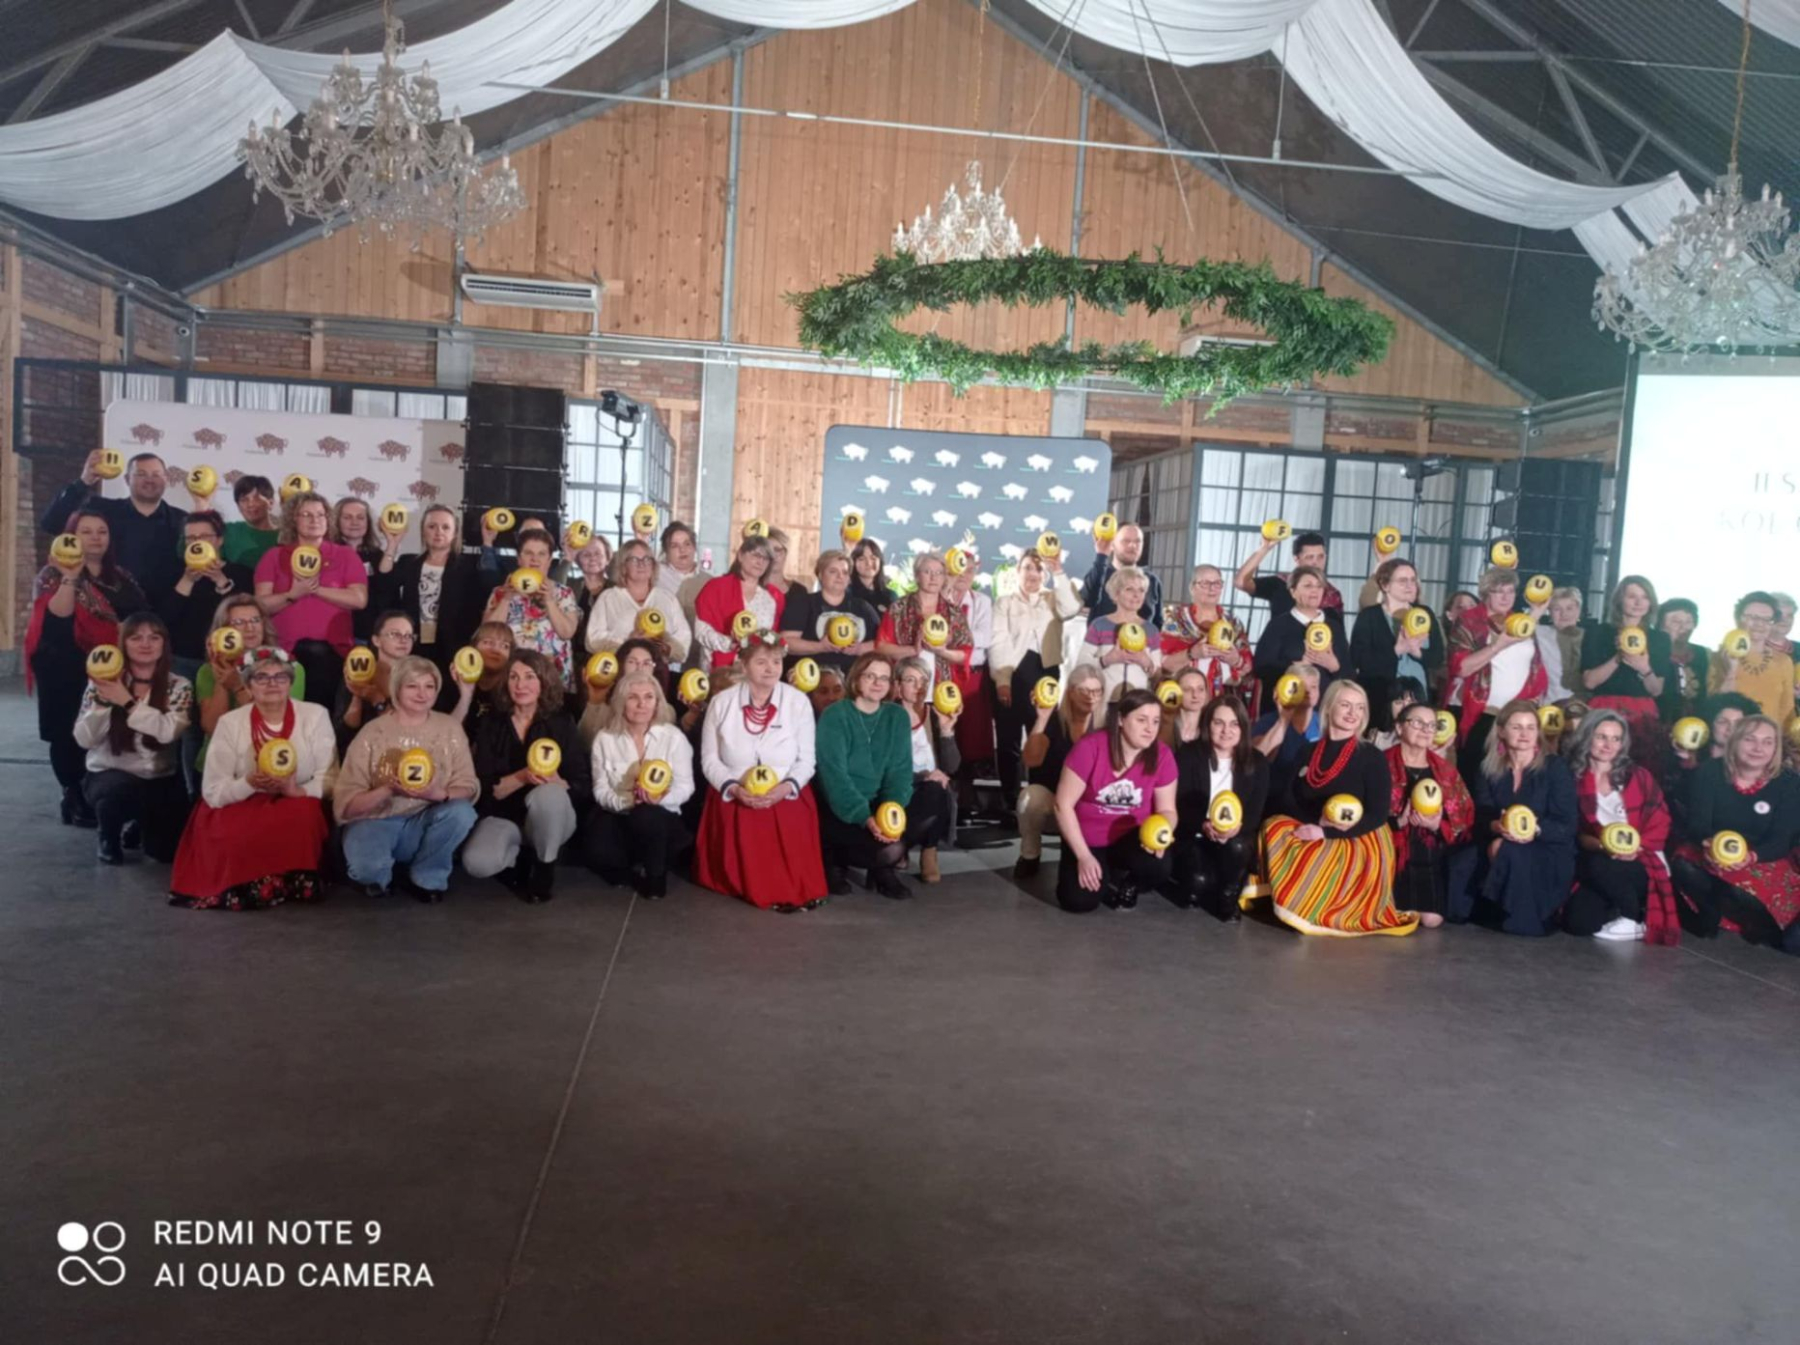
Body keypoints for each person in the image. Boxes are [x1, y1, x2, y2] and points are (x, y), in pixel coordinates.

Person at [168, 647, 334, 910]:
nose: (272, 684)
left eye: (280, 677)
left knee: (304, 813)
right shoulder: (230, 723)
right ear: (247, 685)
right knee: (234, 834)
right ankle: (247, 887)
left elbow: (331, 777)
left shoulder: (315, 715)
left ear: (290, 683)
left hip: (293, 797)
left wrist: (296, 790)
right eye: (262, 677)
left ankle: (290, 882)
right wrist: (248, 783)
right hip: (241, 799)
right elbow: (213, 790)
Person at [1259, 680, 1416, 937]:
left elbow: (1378, 815)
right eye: (1345, 705)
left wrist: (1327, 833)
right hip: (1314, 824)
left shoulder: (1372, 756)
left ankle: (1313, 905)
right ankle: (1288, 897)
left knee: (1323, 855)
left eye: (1360, 707)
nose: (1353, 713)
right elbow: (1288, 798)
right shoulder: (1307, 750)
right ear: (1329, 708)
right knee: (1274, 826)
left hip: (1357, 836)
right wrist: (1315, 824)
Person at [25, 509, 148, 826]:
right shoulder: (51, 574)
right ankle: (73, 794)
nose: (95, 538)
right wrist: (70, 575)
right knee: (67, 732)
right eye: (86, 531)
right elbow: (57, 619)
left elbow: (142, 615)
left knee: (105, 729)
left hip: (115, 666)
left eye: (101, 531)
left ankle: (102, 792)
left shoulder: (121, 576)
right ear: (72, 536)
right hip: (66, 665)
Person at [692, 631, 828, 909]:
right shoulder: (721, 703)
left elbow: (807, 761)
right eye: (762, 662)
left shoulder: (798, 702)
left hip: (785, 792)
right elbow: (709, 759)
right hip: (735, 792)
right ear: (743, 665)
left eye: (776, 662)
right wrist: (734, 789)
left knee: (789, 824)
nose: (771, 669)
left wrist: (784, 788)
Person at [333, 656, 479, 901]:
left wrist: (439, 794)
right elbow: (346, 804)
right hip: (377, 820)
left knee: (461, 812)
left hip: (425, 821)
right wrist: (387, 790)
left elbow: (468, 785)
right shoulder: (373, 732)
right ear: (397, 688)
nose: (422, 694)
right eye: (412, 686)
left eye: (429, 686)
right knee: (367, 872)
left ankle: (427, 876)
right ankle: (386, 871)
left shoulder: (450, 728)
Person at [465, 650, 589, 902]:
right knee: (477, 863)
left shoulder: (562, 722)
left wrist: (558, 782)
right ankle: (520, 857)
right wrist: (522, 776)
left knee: (548, 794)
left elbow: (582, 784)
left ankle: (544, 867)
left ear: (543, 682)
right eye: (514, 677)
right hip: (505, 817)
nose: (520, 684)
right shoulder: (491, 723)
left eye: (530, 676)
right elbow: (483, 788)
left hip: (552, 819)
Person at [1448, 699, 1578, 936]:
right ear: (1501, 731)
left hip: (1547, 845)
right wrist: (1496, 825)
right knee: (1462, 861)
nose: (1524, 734)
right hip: (1501, 838)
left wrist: (1534, 830)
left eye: (1530, 727)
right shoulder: (1488, 769)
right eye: (1517, 727)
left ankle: (1523, 918)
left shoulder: (1554, 767)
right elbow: (1481, 817)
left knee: (1505, 850)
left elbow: (1566, 824)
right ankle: (1483, 910)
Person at [72, 612, 193, 864]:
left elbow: (168, 732)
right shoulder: (101, 682)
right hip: (112, 775)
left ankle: (141, 824)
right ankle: (108, 834)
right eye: (136, 638)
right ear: (123, 644)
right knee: (116, 790)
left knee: (164, 854)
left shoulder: (179, 685)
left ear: (164, 643)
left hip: (159, 778)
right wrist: (103, 703)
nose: (145, 644)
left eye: (154, 637)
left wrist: (127, 702)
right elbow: (84, 739)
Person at [1670, 716, 1800, 951]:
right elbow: (1697, 825)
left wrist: (1750, 857)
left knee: (1741, 890)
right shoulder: (1709, 772)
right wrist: (1710, 846)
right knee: (1682, 865)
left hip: (1764, 857)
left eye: (1767, 742)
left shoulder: (1789, 782)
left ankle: (1755, 925)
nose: (1758, 748)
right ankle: (1712, 913)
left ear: (1776, 748)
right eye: (1750, 739)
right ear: (1735, 741)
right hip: (1713, 848)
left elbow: (1782, 840)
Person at [1051, 687, 1178, 913]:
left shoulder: (1163, 756)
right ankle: (1102, 874)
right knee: (1078, 901)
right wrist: (1083, 856)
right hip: (1088, 839)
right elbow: (1062, 805)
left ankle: (1127, 881)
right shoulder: (1090, 747)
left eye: (1155, 721)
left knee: (1159, 865)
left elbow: (1168, 810)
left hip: (1132, 838)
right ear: (1120, 719)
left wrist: (1161, 834)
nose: (1150, 728)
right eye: (1141, 720)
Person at [1562, 710, 1678, 943]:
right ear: (1587, 736)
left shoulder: (1638, 776)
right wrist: (1602, 846)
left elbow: (1661, 820)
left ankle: (1632, 917)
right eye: (1601, 737)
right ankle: (1617, 907)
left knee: (1597, 865)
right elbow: (1577, 832)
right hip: (1599, 856)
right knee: (1579, 923)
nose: (1608, 745)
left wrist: (1636, 848)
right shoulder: (1572, 778)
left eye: (1616, 739)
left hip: (1641, 859)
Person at [585, 671, 696, 899]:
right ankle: (627, 867)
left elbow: (686, 786)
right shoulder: (605, 738)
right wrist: (627, 801)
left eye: (648, 697)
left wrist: (660, 798)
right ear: (621, 702)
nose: (641, 704)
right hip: (620, 814)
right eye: (633, 697)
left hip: (661, 817)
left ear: (657, 702)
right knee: (598, 848)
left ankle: (656, 876)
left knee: (647, 814)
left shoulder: (673, 737)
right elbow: (601, 789)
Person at [815, 654, 916, 900]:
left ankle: (881, 870)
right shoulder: (835, 715)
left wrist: (891, 813)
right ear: (856, 679)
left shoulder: (897, 716)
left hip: (879, 804)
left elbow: (900, 771)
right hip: (841, 807)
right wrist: (866, 818)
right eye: (870, 676)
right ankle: (834, 859)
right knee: (887, 851)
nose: (878, 683)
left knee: (935, 795)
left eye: (884, 678)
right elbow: (834, 777)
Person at [255, 490, 369, 708]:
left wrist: (315, 589)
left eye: (320, 514)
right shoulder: (274, 556)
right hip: (283, 654)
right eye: (306, 515)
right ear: (293, 519)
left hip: (332, 652)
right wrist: (291, 595)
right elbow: (260, 606)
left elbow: (359, 599)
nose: (314, 520)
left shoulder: (345, 555)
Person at [374, 503, 502, 694]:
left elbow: (491, 586)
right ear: (423, 531)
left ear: (455, 533)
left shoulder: (468, 565)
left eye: (445, 527)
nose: (438, 532)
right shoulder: (409, 562)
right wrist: (392, 545)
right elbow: (384, 583)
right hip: (414, 646)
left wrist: (488, 543)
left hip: (454, 648)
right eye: (432, 526)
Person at [992, 550, 1083, 806]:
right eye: (1028, 568)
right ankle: (1010, 801)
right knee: (1009, 739)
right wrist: (1002, 681)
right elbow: (998, 641)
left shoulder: (1053, 598)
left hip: (1046, 673)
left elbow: (1073, 607)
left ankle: (1038, 798)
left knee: (1043, 736)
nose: (1033, 574)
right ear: (1018, 571)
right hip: (1013, 673)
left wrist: (1058, 571)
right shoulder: (1004, 602)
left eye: (1039, 569)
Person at [1169, 692, 1267, 920]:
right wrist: (1203, 825)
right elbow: (1179, 804)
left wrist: (1236, 828)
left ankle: (1229, 894)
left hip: (1234, 839)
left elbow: (1254, 812)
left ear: (1243, 727)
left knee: (1238, 847)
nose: (1226, 731)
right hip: (1195, 835)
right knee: (1197, 885)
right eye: (1219, 723)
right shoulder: (1188, 755)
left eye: (1234, 724)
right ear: (1207, 724)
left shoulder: (1258, 762)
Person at [39, 448, 186, 597]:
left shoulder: (183, 521)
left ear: (166, 479)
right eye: (141, 474)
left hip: (169, 608)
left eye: (156, 474)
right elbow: (52, 524)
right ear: (127, 479)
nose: (149, 480)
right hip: (108, 606)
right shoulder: (102, 511)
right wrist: (84, 481)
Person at [1447, 567, 1548, 777]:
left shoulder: (1519, 620)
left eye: (1510, 591)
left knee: (1513, 777)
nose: (1505, 597)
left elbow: (1534, 666)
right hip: (1482, 715)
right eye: (1499, 591)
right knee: (1475, 776)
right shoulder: (1469, 620)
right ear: (1486, 593)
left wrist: (1535, 614)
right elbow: (1462, 668)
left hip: (1517, 716)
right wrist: (1497, 646)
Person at [193, 595, 308, 771]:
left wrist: (238, 687)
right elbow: (213, 728)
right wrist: (222, 675)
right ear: (223, 631)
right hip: (218, 766)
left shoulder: (290, 668)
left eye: (255, 620)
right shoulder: (207, 671)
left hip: (268, 764)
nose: (250, 628)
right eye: (239, 622)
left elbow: (277, 725)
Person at [1385, 702, 1475, 928]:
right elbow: (1367, 811)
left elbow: (1464, 819)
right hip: (1390, 849)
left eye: (1431, 725)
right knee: (1397, 916)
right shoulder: (1380, 763)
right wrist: (1398, 821)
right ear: (1399, 728)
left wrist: (1437, 825)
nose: (1425, 729)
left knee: (1432, 920)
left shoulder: (1445, 771)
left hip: (1428, 852)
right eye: (1417, 723)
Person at [1015, 664, 1105, 880]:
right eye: (1084, 690)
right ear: (1070, 692)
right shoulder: (1055, 719)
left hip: (1091, 804)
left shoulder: (1106, 726)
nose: (1091, 697)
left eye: (1096, 691)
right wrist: (1042, 718)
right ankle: (1030, 854)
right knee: (1029, 798)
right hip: (1056, 801)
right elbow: (1031, 760)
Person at [1580, 575, 1672, 767]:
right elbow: (1589, 682)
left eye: (1644, 597)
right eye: (1632, 596)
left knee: (1640, 766)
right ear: (1620, 600)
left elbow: (1656, 690)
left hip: (1642, 714)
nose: (1638, 602)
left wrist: (1644, 667)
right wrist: (1619, 657)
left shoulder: (1660, 639)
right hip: (1603, 708)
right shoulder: (1598, 632)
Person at [155, 509, 255, 681]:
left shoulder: (240, 573)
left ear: (219, 540)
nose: (197, 542)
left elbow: (244, 616)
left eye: (204, 536)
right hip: (181, 659)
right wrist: (187, 580)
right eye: (191, 538)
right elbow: (163, 620)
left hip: (227, 659)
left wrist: (221, 581)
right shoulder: (172, 572)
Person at [1350, 559, 1441, 732]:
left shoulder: (1426, 613)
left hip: (1418, 698)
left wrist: (1417, 653)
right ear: (1385, 585)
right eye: (1402, 581)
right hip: (1380, 699)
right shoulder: (1369, 617)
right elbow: (1359, 660)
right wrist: (1396, 650)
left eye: (1413, 580)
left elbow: (1438, 658)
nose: (1410, 585)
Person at [482, 527, 583, 684]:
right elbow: (488, 634)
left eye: (541, 554)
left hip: (554, 678)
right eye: (528, 553)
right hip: (513, 679)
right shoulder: (500, 592)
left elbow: (566, 632)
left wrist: (549, 600)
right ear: (519, 559)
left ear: (549, 560)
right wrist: (506, 598)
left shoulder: (564, 593)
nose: (535, 559)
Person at [892, 657, 959, 883]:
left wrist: (946, 731)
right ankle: (902, 845)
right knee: (932, 785)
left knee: (938, 788)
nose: (918, 687)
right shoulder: (889, 716)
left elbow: (952, 767)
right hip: (899, 787)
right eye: (911, 680)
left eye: (923, 681)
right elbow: (888, 767)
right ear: (898, 686)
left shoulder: (936, 714)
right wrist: (923, 776)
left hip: (932, 789)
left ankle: (929, 851)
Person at [1249, 567, 1348, 715]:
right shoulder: (1278, 625)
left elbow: (1350, 673)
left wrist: (1335, 666)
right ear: (1293, 592)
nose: (1314, 591)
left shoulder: (1334, 627)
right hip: (1285, 708)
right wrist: (1294, 667)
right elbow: (1261, 667)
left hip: (1325, 711)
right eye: (1308, 586)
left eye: (1319, 586)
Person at [1666, 691, 1759, 841]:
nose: (1730, 729)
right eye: (1722, 722)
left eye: (1738, 724)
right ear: (1709, 723)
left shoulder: (1753, 765)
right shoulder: (1690, 759)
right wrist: (1684, 765)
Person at [876, 552, 973, 692]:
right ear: (917, 576)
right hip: (904, 689)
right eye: (927, 572)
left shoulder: (954, 613)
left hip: (943, 691)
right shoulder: (898, 609)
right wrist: (913, 650)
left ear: (944, 577)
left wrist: (942, 651)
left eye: (939, 573)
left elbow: (965, 653)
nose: (933, 577)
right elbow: (881, 648)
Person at [588, 538, 693, 667]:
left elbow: (683, 641)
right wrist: (628, 642)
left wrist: (663, 647)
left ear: (653, 565)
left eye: (647, 559)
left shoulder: (667, 599)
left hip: (658, 673)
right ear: (623, 566)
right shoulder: (608, 598)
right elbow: (592, 640)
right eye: (634, 560)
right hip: (620, 670)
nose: (641, 564)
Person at [1159, 564, 1252, 699]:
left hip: (1224, 699)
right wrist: (1191, 654)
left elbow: (1248, 669)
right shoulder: (1175, 618)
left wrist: (1236, 660)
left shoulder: (1233, 622)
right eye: (1205, 583)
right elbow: (1162, 665)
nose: (1212, 588)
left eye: (1217, 583)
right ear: (1192, 588)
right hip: (1183, 696)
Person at [781, 549, 880, 675]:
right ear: (820, 575)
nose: (840, 576)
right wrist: (820, 647)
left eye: (845, 572)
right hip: (810, 677)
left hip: (853, 679)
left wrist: (860, 649)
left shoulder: (862, 607)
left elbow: (882, 644)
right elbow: (786, 642)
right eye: (833, 571)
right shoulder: (803, 603)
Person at [332, 610, 418, 755]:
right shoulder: (358, 670)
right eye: (395, 634)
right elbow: (342, 734)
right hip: (361, 753)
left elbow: (406, 734)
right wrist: (357, 696)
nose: (403, 640)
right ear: (376, 640)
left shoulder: (418, 678)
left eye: (408, 635)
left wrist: (376, 698)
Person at [694, 536, 786, 668]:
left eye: (765, 558)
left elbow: (771, 637)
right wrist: (730, 644)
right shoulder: (716, 587)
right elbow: (701, 630)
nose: (760, 562)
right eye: (756, 555)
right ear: (740, 555)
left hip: (756, 670)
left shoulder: (774, 597)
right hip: (718, 668)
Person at [1707, 591, 1796, 723]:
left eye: (1767, 619)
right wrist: (1731, 670)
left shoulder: (1783, 661)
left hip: (1770, 734)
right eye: (1752, 617)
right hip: (1734, 734)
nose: (1759, 624)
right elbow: (1717, 706)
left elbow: (1787, 710)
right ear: (1738, 619)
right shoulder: (1718, 657)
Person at [1079, 565, 1161, 703]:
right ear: (1116, 594)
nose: (1136, 595)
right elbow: (1081, 665)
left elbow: (1157, 675)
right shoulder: (1099, 625)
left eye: (1141, 590)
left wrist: (1146, 662)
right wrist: (1107, 660)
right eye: (1129, 589)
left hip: (1138, 705)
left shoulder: (1151, 630)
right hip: (1102, 702)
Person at [1251, 661, 1324, 811]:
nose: (1308, 691)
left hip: (1313, 800)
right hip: (1274, 800)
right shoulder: (1269, 721)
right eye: (1301, 686)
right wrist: (1283, 720)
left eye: (1314, 686)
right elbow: (1256, 758)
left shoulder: (1325, 724)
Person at [577, 637, 671, 742]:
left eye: (646, 663)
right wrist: (594, 701)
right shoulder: (605, 708)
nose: (639, 669)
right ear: (621, 666)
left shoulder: (667, 711)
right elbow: (585, 742)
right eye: (632, 662)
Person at [1234, 529, 1343, 615]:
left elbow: (1338, 633)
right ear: (1297, 559)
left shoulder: (1333, 595)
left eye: (1321, 557)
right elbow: (1240, 582)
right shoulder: (1281, 583)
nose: (1316, 563)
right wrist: (1264, 548)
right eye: (1310, 557)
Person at [1082, 522, 1164, 626]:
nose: (1132, 545)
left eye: (1138, 541)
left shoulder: (1152, 581)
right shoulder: (1099, 575)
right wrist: (1101, 556)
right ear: (1112, 544)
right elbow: (1087, 600)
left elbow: (1157, 623)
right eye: (1126, 541)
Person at [566, 533, 615, 678]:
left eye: (598, 554)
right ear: (578, 560)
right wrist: (568, 558)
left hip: (609, 660)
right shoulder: (570, 586)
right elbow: (553, 585)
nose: (592, 558)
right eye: (586, 554)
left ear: (607, 558)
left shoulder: (618, 590)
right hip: (574, 660)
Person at [451, 622, 515, 729]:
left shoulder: (514, 689)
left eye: (505, 646)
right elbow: (447, 734)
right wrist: (465, 697)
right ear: (473, 648)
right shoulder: (455, 682)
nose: (496, 650)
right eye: (488, 642)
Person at [1658, 597, 1708, 722]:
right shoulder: (1652, 652)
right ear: (1661, 624)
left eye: (1688, 621)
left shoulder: (1703, 653)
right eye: (1676, 621)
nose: (1683, 627)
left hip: (1696, 723)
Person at [218, 475, 279, 569]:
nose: (250, 504)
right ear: (238, 506)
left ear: (270, 503)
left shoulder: (286, 536)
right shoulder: (228, 531)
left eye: (257, 499)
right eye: (244, 500)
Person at [1540, 586, 1587, 700]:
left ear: (1578, 611)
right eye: (1557, 609)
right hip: (1550, 702)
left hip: (1583, 703)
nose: (1564, 614)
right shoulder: (1541, 633)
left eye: (1569, 608)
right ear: (1549, 612)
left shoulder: (1591, 637)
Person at [765, 528, 810, 608]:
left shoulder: (799, 591)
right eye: (768, 550)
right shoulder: (750, 589)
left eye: (777, 550)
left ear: (785, 554)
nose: (773, 555)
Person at [849, 538, 895, 616]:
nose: (868, 563)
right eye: (862, 559)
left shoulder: (890, 596)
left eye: (873, 558)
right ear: (853, 562)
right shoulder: (846, 594)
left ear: (880, 562)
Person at [656, 521, 701, 600]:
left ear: (694, 547)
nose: (682, 550)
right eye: (675, 546)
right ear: (666, 551)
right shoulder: (656, 573)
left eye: (687, 544)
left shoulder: (707, 580)